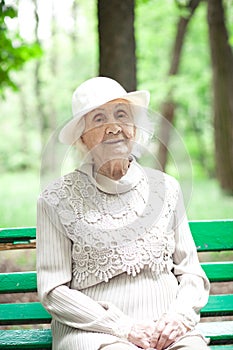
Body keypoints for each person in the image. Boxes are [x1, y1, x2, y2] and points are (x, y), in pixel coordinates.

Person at [37, 76, 210, 350]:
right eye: (98, 119)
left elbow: (191, 273)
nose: (113, 127)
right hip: (95, 332)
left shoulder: (167, 188)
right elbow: (53, 292)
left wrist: (179, 317)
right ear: (82, 136)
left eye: (121, 115)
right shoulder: (56, 199)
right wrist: (123, 327)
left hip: (167, 328)